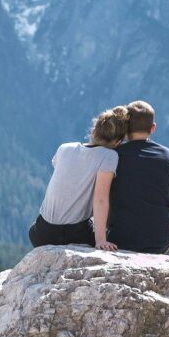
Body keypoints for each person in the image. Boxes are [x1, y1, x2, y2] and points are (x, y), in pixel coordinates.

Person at [28, 106, 129, 249]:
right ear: (118, 143)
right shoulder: (109, 156)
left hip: (41, 233)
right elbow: (100, 199)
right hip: (74, 233)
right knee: (117, 235)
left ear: (93, 132)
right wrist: (100, 240)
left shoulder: (64, 148)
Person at [108, 100, 169, 254]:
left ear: (125, 127)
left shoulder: (112, 157)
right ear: (153, 128)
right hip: (160, 242)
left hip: (121, 240)